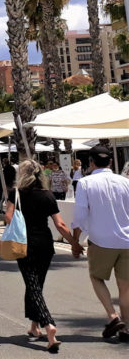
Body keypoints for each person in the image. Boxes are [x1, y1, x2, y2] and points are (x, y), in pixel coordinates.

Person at [6, 160, 76, 353]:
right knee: (36, 285)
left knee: (33, 285)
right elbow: (60, 225)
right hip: (45, 245)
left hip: (24, 244)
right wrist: (75, 244)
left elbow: (9, 217)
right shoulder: (48, 195)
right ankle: (34, 327)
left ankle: (49, 325)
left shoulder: (16, 194)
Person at [70, 146, 129, 341]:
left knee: (96, 277)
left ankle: (113, 317)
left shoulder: (85, 183)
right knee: (126, 287)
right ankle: (126, 328)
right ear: (110, 162)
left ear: (90, 163)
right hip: (127, 241)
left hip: (101, 240)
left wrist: (76, 241)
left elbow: (79, 216)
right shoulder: (125, 182)